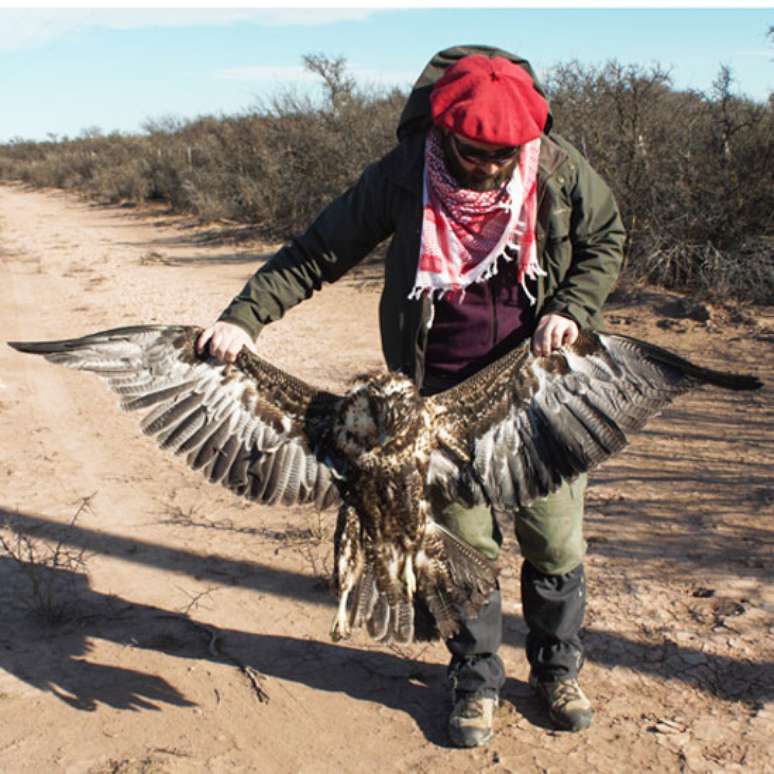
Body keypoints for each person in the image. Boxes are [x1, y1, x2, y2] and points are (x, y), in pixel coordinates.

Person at [197, 45, 625, 748]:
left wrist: (575, 306)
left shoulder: (554, 165)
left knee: (554, 537)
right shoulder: (405, 175)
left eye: (505, 153)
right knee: (462, 545)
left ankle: (557, 670)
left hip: (538, 389)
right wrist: (242, 319)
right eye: (474, 151)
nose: (492, 166)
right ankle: (477, 677)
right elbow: (319, 250)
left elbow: (604, 238)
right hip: (437, 400)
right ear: (442, 128)